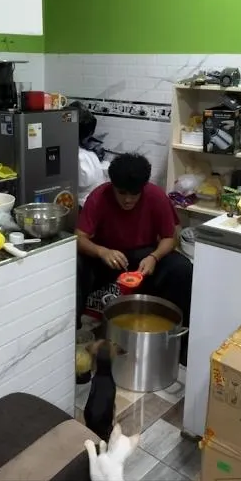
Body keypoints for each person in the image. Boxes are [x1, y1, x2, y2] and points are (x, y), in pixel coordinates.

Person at [76, 152, 193, 364]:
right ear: (113, 186)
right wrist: (102, 252)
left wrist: (154, 257)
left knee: (182, 269)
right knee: (76, 265)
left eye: (134, 194)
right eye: (122, 193)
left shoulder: (155, 196)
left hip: (143, 257)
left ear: (143, 188)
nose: (128, 199)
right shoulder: (99, 196)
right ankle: (71, 336)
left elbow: (170, 238)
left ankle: (178, 343)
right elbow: (79, 237)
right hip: (107, 257)